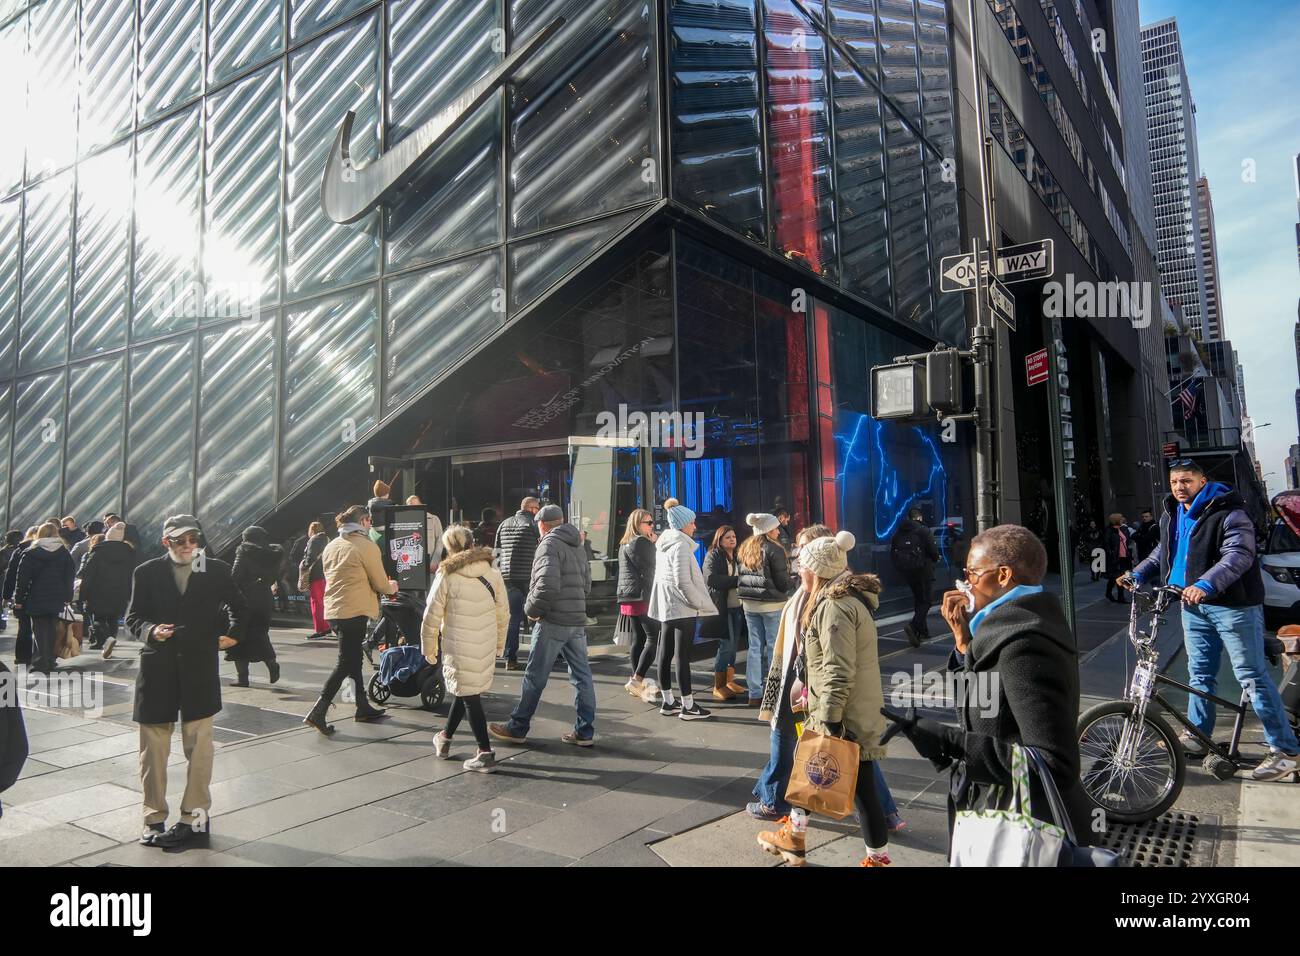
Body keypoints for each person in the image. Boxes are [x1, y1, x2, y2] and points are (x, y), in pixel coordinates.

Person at [885, 524, 1094, 847]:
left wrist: (951, 742)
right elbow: (986, 707)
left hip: (1020, 827)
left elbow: (1056, 764)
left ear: (1003, 575)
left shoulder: (1024, 642)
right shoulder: (1007, 625)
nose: (966, 582)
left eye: (972, 572)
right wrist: (962, 642)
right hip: (996, 809)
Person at [1123, 461, 1300, 780]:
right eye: (1175, 481)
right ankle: (1198, 737)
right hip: (1191, 605)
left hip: (1232, 606)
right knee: (1199, 673)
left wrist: (1205, 584)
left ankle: (1285, 751)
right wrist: (1137, 573)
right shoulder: (1172, 513)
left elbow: (1239, 555)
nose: (1179, 487)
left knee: (1251, 674)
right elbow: (1165, 551)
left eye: (1187, 481)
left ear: (1202, 481)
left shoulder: (1229, 512)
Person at [757, 531, 892, 867]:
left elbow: (838, 669)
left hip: (844, 716)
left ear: (816, 570)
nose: (798, 571)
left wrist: (830, 718)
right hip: (835, 708)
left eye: (802, 565)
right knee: (810, 770)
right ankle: (795, 836)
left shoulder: (834, 607)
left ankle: (878, 858)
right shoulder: (835, 599)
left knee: (862, 790)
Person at [126, 514, 249, 849]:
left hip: (199, 668)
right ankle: (153, 819)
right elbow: (133, 618)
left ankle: (194, 822)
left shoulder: (217, 570)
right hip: (157, 669)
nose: (189, 546)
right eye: (180, 540)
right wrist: (151, 631)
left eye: (194, 539)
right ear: (167, 542)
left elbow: (240, 607)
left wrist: (233, 636)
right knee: (152, 749)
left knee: (200, 750)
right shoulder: (146, 571)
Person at [489, 504, 597, 746]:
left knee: (534, 676)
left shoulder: (548, 544)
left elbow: (546, 585)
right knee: (582, 677)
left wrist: (532, 611)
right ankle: (585, 731)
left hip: (553, 620)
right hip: (576, 619)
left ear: (543, 525)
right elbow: (587, 583)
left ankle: (518, 727)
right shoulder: (577, 544)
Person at [422, 526, 509, 772]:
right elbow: (504, 613)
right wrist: (500, 644)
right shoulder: (492, 573)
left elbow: (431, 615)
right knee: (467, 690)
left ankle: (485, 752)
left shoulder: (446, 575)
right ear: (472, 545)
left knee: (469, 696)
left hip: (458, 645)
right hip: (485, 644)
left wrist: (429, 648)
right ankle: (445, 738)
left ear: (450, 549)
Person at [304, 506, 397, 735]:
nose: (370, 524)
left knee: (353, 659)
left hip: (334, 610)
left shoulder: (332, 545)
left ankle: (362, 705)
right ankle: (319, 710)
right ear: (363, 521)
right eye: (369, 521)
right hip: (354, 610)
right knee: (345, 661)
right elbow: (380, 582)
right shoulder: (366, 546)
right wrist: (391, 586)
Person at [647, 502, 717, 720]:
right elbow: (683, 582)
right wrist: (698, 603)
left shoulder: (663, 544)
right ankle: (688, 705)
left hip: (666, 606)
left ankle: (669, 702)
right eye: (692, 522)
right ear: (683, 524)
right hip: (682, 607)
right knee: (681, 656)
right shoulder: (680, 546)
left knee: (665, 654)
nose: (695, 526)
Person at [738, 512, 792, 707]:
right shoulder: (774, 549)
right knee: (773, 648)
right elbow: (782, 582)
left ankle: (754, 692)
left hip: (749, 605)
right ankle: (774, 692)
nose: (778, 530)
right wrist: (791, 583)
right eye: (775, 528)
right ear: (768, 530)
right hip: (772, 604)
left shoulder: (745, 547)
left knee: (754, 648)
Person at [13, 522, 77, 674]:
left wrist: (19, 600)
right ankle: (49, 660)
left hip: (36, 597)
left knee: (40, 629)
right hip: (56, 596)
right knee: (52, 628)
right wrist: (68, 596)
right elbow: (69, 577)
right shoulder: (64, 553)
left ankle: (42, 662)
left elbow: (22, 578)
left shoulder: (30, 553)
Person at [227, 527, 282, 687]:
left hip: (244, 599)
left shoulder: (244, 551)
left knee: (237, 636)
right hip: (264, 598)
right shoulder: (273, 554)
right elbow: (273, 577)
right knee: (260, 635)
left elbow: (235, 576)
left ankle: (242, 678)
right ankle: (272, 665)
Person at [616, 508, 661, 702]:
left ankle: (636, 679)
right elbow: (652, 566)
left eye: (652, 522)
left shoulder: (625, 543)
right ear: (637, 524)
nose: (652, 526)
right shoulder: (641, 542)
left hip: (629, 596)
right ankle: (637, 679)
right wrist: (655, 545)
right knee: (653, 637)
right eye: (648, 523)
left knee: (639, 638)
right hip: (642, 595)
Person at [493, 497, 541, 671]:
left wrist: (497, 575)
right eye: (537, 508)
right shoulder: (534, 525)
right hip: (529, 577)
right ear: (531, 508)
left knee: (512, 618)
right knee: (536, 617)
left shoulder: (503, 524)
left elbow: (496, 553)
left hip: (507, 578)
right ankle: (537, 658)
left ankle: (510, 658)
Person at [702, 525, 748, 701]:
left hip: (737, 606)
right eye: (728, 537)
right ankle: (719, 685)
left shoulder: (736, 556)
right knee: (726, 644)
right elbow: (712, 579)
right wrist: (738, 581)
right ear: (719, 539)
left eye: (734, 536)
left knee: (735, 644)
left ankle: (729, 681)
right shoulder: (712, 555)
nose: (732, 539)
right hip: (722, 607)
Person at [78, 522, 136, 658]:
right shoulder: (129, 553)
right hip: (120, 591)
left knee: (98, 618)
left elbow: (88, 574)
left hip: (98, 591)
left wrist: (82, 595)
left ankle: (104, 640)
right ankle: (110, 639)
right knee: (113, 618)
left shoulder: (98, 552)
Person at [890, 506, 940, 647]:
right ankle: (913, 626)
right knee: (927, 601)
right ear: (919, 517)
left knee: (919, 600)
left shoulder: (898, 533)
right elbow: (933, 550)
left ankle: (922, 631)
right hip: (924, 570)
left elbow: (893, 553)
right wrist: (935, 558)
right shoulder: (923, 531)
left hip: (908, 572)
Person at [3, 529, 38, 665]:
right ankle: (42, 656)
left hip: (22, 595)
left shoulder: (19, 551)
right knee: (43, 627)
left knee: (24, 626)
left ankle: (22, 656)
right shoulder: (53, 551)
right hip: (43, 595)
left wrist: (6, 596)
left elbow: (11, 575)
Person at [302, 521, 331, 638]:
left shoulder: (313, 540)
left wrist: (304, 565)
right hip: (326, 574)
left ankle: (320, 629)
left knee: (316, 603)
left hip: (316, 575)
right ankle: (328, 626)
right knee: (324, 602)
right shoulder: (327, 539)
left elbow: (310, 558)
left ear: (312, 530)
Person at [406, 495, 446, 570]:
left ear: (421, 505)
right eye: (411, 507)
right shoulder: (406, 522)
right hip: (413, 565)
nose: (414, 509)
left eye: (416, 506)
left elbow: (440, 541)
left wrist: (435, 561)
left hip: (431, 564)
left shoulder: (433, 519)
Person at [1102, 513, 1132, 604]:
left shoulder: (1124, 529)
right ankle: (1117, 596)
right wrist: (1111, 553)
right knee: (1116, 576)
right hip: (1114, 557)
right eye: (1121, 518)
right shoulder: (1109, 530)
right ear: (1116, 520)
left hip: (1124, 556)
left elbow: (1127, 541)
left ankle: (1116, 595)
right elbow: (1106, 543)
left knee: (1121, 576)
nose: (1123, 519)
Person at [0, 530, 23, 633]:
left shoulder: (4, 551)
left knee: (3, 604)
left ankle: (3, 621)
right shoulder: (22, 551)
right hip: (19, 580)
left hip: (4, 580)